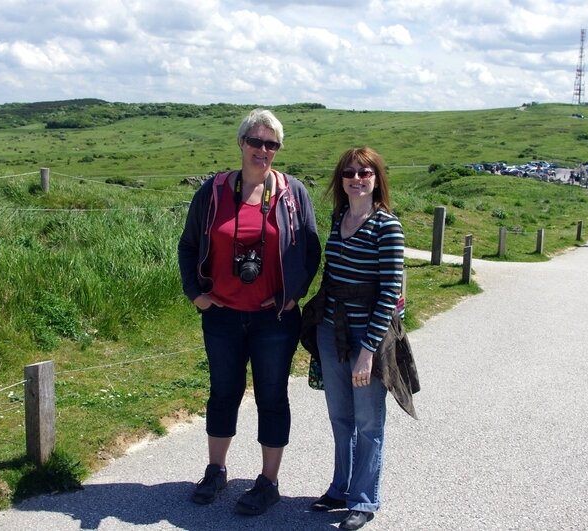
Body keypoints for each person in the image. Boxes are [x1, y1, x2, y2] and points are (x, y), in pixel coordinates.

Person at [177, 108, 321, 515]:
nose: (263, 150)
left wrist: (295, 292)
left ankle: (268, 481)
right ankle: (215, 469)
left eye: (271, 144)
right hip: (221, 315)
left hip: (274, 319)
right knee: (223, 392)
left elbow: (311, 248)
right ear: (241, 143)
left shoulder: (293, 193)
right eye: (255, 141)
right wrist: (196, 294)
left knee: (272, 396)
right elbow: (188, 246)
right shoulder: (213, 192)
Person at [302, 147, 419, 530]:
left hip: (368, 335)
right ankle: (340, 487)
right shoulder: (338, 219)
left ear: (376, 178)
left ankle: (365, 499)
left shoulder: (387, 226)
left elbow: (388, 294)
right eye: (349, 172)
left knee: (368, 421)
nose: (357, 178)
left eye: (364, 172)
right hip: (331, 330)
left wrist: (368, 352)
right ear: (341, 180)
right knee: (340, 416)